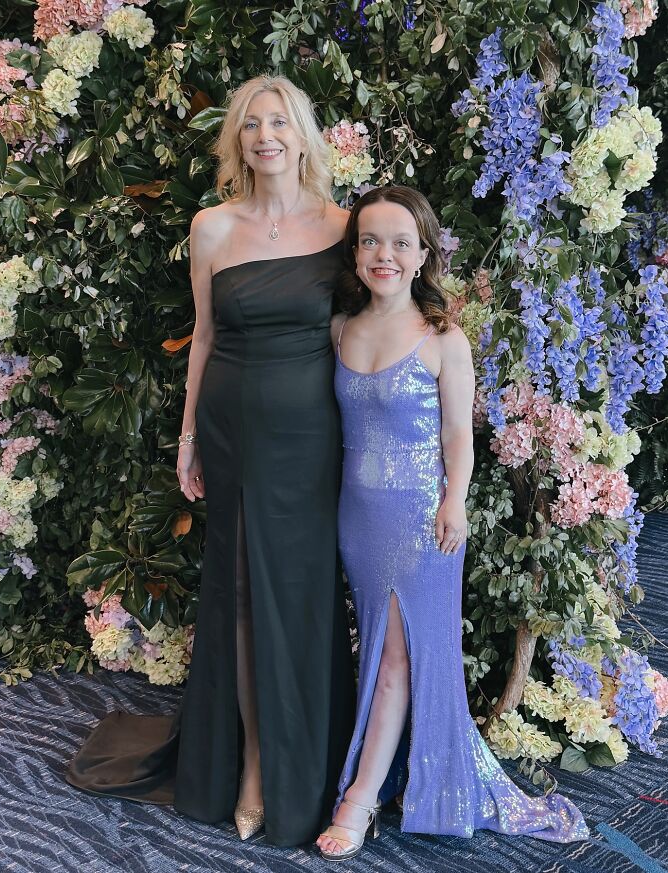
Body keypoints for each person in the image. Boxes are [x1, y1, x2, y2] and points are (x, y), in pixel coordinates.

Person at [67, 74, 355, 848]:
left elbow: (359, 333)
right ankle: (254, 764)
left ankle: (309, 757)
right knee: (240, 597)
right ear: (237, 141)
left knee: (299, 595)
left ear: (302, 136)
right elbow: (203, 336)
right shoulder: (212, 226)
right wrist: (189, 435)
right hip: (231, 432)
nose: (266, 136)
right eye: (251, 125)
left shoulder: (343, 226)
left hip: (310, 440)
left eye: (279, 122)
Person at [315, 186, 589, 861]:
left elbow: (458, 437)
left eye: (400, 243)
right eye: (370, 241)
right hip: (356, 518)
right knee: (377, 649)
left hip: (422, 520)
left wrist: (455, 501)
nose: (384, 254)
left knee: (398, 656)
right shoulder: (339, 330)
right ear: (355, 254)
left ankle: (360, 799)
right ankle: (404, 772)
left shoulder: (443, 339)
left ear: (423, 255)